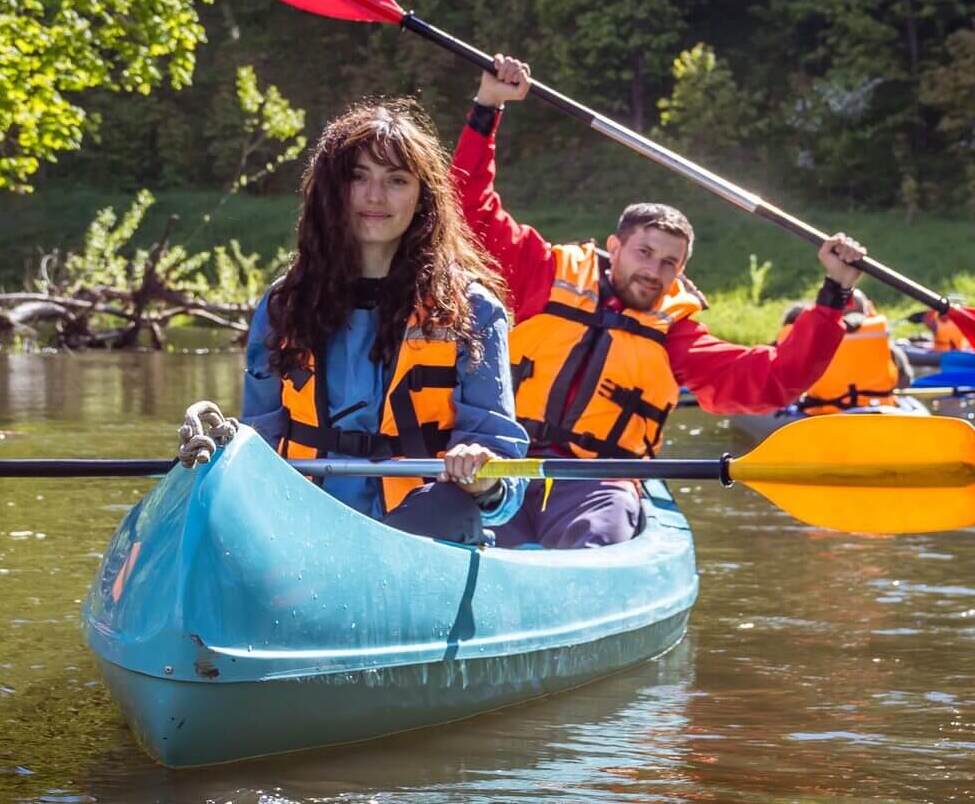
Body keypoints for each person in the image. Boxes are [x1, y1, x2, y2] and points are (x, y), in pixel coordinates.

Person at [453, 54, 866, 549]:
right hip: (506, 468)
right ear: (615, 247)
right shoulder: (543, 273)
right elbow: (469, 207)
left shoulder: (676, 333)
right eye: (644, 253)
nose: (654, 270)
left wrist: (834, 294)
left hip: (598, 485)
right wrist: (487, 107)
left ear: (681, 272)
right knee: (466, 532)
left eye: (670, 263)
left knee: (594, 538)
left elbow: (774, 380)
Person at [241, 98, 528, 544]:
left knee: (447, 508)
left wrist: (485, 476)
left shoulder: (473, 309)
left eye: (396, 180)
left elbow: (506, 492)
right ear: (331, 192)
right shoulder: (284, 305)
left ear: (422, 198)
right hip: (304, 527)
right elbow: (256, 440)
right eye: (358, 177)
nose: (375, 197)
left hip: (421, 538)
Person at [776, 290, 913, 411]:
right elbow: (905, 381)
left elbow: (788, 386)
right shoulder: (882, 339)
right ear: (867, 309)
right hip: (879, 409)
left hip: (827, 415)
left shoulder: (811, 338)